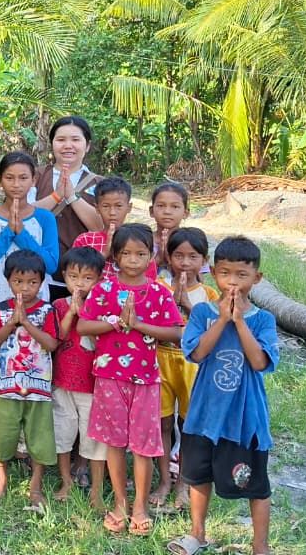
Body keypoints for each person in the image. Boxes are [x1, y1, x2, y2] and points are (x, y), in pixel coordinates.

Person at [169, 237, 278, 555]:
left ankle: (260, 546)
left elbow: (259, 362)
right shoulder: (202, 313)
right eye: (225, 273)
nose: (232, 282)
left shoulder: (263, 319)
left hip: (244, 419)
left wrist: (239, 322)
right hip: (204, 414)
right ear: (214, 272)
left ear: (256, 278)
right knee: (198, 475)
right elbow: (197, 354)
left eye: (242, 275)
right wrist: (221, 320)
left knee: (255, 485)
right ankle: (197, 534)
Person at [77, 224, 184, 537]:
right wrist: (115, 323)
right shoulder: (104, 289)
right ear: (115, 256)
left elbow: (176, 333)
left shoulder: (159, 292)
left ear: (151, 255)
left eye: (140, 253)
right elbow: (83, 326)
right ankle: (120, 503)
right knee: (114, 443)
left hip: (146, 380)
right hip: (109, 377)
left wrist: (138, 325)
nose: (133, 260)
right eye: (126, 253)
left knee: (143, 446)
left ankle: (139, 506)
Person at [0, 151, 59, 453]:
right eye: (9, 177)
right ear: (0, 180)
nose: (16, 184)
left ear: (34, 180)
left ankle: (28, 443)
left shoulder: (45, 218)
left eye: (23, 177)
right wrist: (6, 234)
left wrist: (21, 234)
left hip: (38, 308)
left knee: (32, 364)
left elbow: (50, 263)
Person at [0, 250, 60, 505]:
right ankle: (2, 480)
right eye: (18, 281)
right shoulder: (2, 309)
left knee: (39, 435)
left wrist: (26, 323)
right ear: (8, 281)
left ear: (41, 282)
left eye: (32, 282)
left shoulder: (47, 310)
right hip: (7, 383)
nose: (25, 288)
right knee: (3, 432)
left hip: (38, 386)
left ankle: (35, 485)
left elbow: (51, 344)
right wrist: (11, 323)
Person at [152, 227, 218, 509]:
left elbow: (215, 332)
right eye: (179, 256)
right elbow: (151, 321)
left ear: (204, 261)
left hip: (194, 366)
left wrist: (188, 305)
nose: (185, 263)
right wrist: (171, 302)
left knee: (188, 425)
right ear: (168, 257)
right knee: (163, 422)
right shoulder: (158, 286)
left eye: (193, 257)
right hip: (160, 359)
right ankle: (164, 480)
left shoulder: (209, 294)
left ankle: (183, 483)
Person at [50, 246, 107, 508]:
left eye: (87, 278)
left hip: (92, 384)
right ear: (64, 275)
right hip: (62, 380)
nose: (79, 284)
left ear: (99, 279)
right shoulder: (59, 305)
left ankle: (96, 490)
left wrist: (85, 313)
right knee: (63, 431)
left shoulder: (102, 308)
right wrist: (72, 312)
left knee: (92, 436)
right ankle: (66, 481)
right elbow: (57, 338)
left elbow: (101, 344)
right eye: (73, 277)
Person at [30, 116, 105, 300]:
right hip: (36, 275)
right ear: (52, 144)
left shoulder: (100, 183)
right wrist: (55, 196)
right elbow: (23, 216)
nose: (68, 145)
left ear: (87, 145)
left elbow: (101, 226)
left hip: (84, 277)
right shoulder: (34, 176)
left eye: (75, 139)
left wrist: (71, 196)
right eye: (61, 139)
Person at [71, 176, 156, 281]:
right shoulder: (85, 241)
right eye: (106, 206)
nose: (112, 212)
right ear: (97, 208)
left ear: (129, 207)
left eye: (118, 206)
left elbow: (148, 281)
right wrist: (104, 254)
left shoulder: (140, 241)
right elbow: (75, 276)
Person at [149, 181, 192, 275]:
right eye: (161, 206)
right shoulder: (142, 241)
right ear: (151, 211)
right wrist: (158, 259)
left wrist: (171, 261)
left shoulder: (191, 243)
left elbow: (198, 280)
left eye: (175, 206)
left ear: (185, 213)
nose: (167, 211)